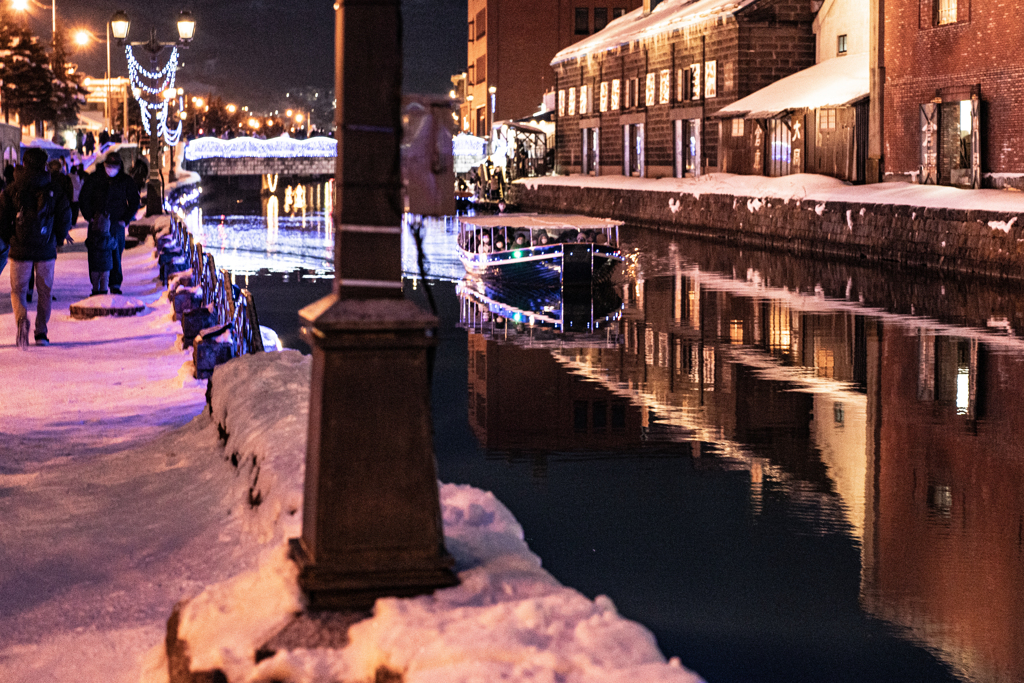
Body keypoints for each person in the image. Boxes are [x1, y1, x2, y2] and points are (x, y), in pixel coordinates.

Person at [0, 147, 73, 347]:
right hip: (46, 249)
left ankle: (21, 318)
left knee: (18, 290)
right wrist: (57, 239)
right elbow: (65, 216)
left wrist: (9, 239)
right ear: (44, 165)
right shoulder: (54, 188)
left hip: (19, 249)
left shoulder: (12, 189)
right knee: (45, 291)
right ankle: (41, 332)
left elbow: (2, 218)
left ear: (24, 163)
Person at [79, 152, 140, 296]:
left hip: (115, 224)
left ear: (119, 166)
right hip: (97, 224)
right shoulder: (94, 179)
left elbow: (134, 201)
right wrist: (90, 217)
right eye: (109, 165)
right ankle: (97, 286)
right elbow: (84, 198)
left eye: (114, 166)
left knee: (115, 254)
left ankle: (115, 283)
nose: (111, 169)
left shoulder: (125, 180)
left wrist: (125, 219)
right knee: (95, 254)